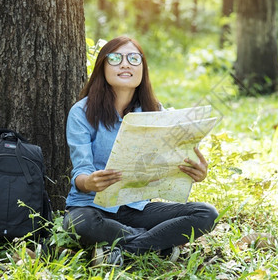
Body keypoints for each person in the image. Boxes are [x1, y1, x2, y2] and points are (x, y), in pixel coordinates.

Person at [63, 36, 218, 265]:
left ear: (142, 69)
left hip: (137, 208)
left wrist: (194, 172)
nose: (125, 64)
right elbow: (81, 170)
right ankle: (157, 246)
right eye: (115, 58)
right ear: (102, 67)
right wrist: (89, 182)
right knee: (79, 224)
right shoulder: (82, 112)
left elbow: (170, 162)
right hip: (90, 207)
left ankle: (120, 250)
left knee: (206, 214)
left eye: (134, 59)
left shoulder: (155, 112)